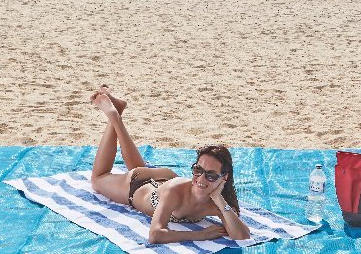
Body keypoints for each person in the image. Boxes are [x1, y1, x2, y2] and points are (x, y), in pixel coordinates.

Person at [88, 86, 251, 243]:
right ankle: (114, 116)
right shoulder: (175, 191)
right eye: (197, 170)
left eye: (210, 175)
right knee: (97, 179)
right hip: (137, 186)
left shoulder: (217, 202)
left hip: (162, 181)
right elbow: (155, 235)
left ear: (224, 178)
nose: (201, 179)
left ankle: (118, 109)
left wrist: (219, 200)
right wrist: (200, 235)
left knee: (138, 168)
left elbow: (242, 235)